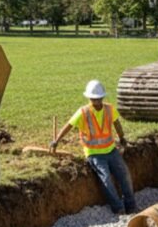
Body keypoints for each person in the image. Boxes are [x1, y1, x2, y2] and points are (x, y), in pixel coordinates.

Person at [51, 80, 137, 215]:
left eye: (98, 99)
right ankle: (118, 208)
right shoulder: (83, 112)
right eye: (93, 99)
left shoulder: (109, 109)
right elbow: (68, 126)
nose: (96, 101)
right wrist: (56, 140)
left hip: (111, 150)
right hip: (94, 154)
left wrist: (122, 138)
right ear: (89, 98)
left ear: (102, 97)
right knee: (106, 180)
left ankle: (131, 206)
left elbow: (117, 123)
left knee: (124, 175)